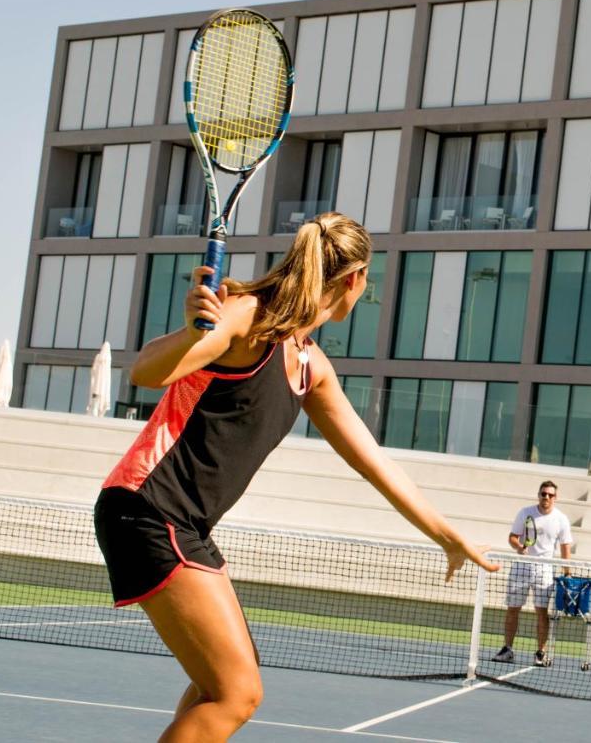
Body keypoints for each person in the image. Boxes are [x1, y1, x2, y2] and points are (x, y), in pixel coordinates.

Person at [93, 212, 497, 742]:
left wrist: (448, 536)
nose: (366, 290)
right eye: (367, 279)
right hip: (148, 508)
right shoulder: (247, 316)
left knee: (222, 683)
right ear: (353, 280)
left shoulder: (310, 366)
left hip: (182, 523)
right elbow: (146, 372)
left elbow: (373, 461)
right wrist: (193, 331)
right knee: (237, 692)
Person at [492, 480, 572, 667]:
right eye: (543, 494)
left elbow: (565, 548)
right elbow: (512, 537)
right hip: (521, 566)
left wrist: (567, 574)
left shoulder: (561, 519)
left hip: (545, 569)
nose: (546, 497)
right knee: (513, 609)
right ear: (539, 495)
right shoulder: (525, 512)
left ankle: (540, 653)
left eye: (550, 495)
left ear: (555, 498)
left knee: (541, 612)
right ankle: (508, 649)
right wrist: (519, 547)